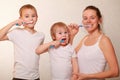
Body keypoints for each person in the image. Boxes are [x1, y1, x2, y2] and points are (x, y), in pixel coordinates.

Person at [73, 5, 119, 80]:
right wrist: (72, 36)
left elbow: (115, 72)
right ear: (82, 21)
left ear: (99, 20)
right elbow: (70, 56)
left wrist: (87, 76)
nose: (88, 21)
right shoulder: (85, 39)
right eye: (85, 18)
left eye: (92, 18)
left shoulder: (104, 40)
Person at [0, 4, 45, 80]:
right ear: (21, 19)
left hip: (35, 77)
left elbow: (38, 51)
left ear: (37, 18)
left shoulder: (41, 36)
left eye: (33, 16)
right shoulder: (16, 32)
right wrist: (14, 23)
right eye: (27, 16)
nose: (31, 18)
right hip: (19, 76)